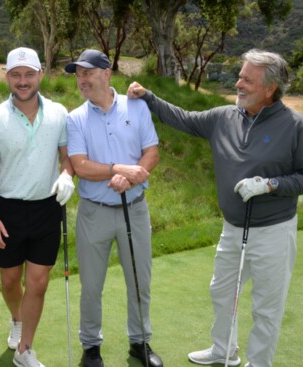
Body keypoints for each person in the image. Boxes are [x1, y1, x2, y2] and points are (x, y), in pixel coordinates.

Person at [127, 49, 303, 367]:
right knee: (221, 292)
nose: (238, 83)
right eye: (240, 76)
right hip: (233, 227)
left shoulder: (294, 126)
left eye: (247, 79)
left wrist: (270, 185)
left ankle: (259, 363)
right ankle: (225, 350)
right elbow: (182, 118)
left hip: (274, 231)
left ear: (269, 88)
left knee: (266, 306)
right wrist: (148, 97)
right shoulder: (223, 117)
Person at [64, 49, 163, 367]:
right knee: (91, 285)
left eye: (87, 73)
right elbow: (79, 165)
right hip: (94, 212)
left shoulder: (136, 106)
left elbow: (151, 151)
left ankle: (140, 342)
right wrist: (120, 170)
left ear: (106, 74)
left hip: (134, 208)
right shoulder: (75, 118)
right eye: (78, 74)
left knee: (139, 279)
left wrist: (135, 177)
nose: (82, 80)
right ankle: (91, 347)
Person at [0, 46, 75, 367]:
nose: (23, 81)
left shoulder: (60, 113)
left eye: (28, 74)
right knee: (9, 281)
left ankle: (25, 349)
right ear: (7, 77)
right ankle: (17, 318)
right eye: (16, 75)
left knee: (39, 282)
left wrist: (66, 177)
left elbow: (65, 158)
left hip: (47, 208)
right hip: (8, 211)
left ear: (40, 75)